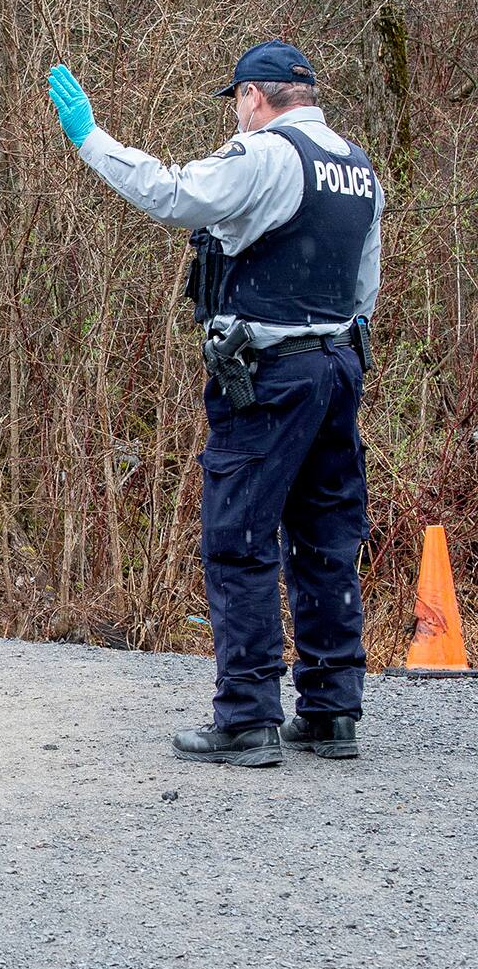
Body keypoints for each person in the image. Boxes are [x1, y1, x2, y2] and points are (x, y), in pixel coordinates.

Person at [48, 42, 381, 767]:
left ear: (255, 98)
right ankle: (331, 713)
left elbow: (172, 194)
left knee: (240, 538)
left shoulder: (264, 154)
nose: (237, 113)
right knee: (325, 539)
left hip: (268, 376)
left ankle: (247, 719)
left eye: (237, 101)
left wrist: (90, 140)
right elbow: (363, 286)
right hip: (337, 367)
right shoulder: (357, 166)